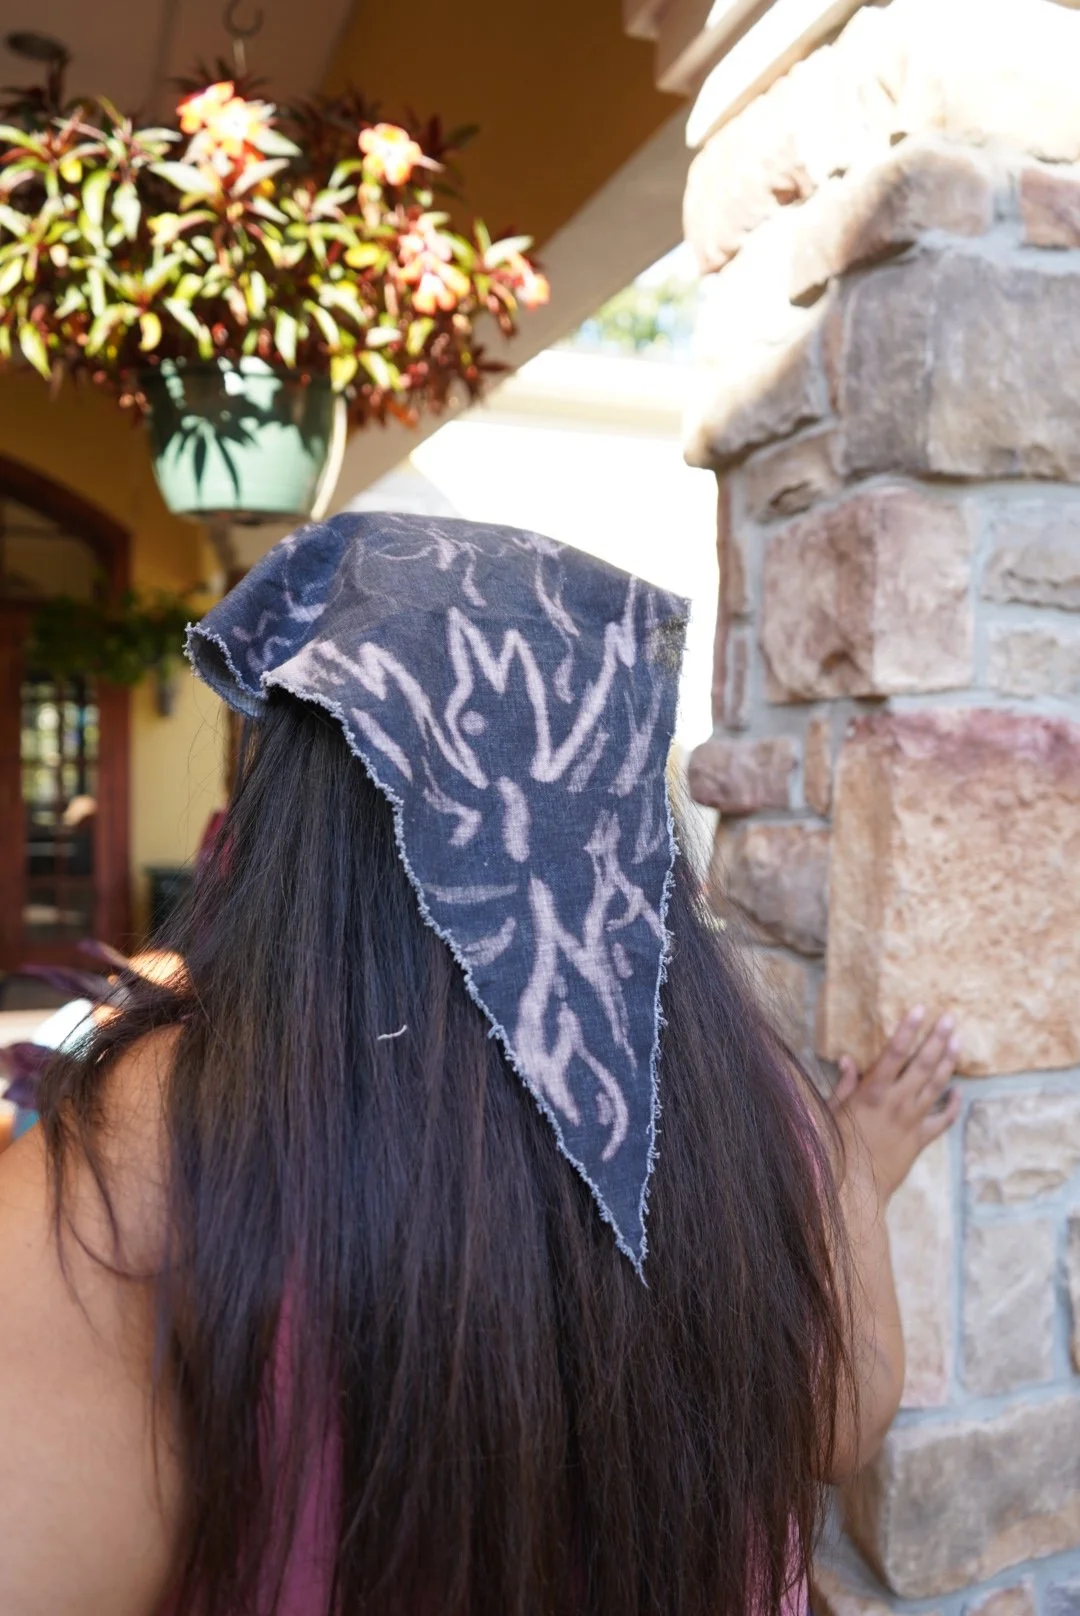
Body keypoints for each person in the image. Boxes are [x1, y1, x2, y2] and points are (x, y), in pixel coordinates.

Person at [0, 514, 960, 1616]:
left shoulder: (159, 1141)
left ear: (296, 793)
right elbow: (842, 1415)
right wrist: (846, 1172)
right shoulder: (746, 1088)